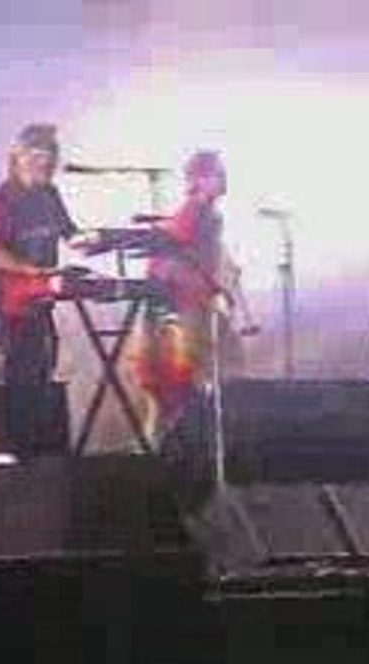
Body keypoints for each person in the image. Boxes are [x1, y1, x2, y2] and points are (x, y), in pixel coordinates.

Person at [130, 150, 256, 449]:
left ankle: (171, 448)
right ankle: (162, 452)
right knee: (179, 387)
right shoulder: (193, 212)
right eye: (215, 174)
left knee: (195, 382)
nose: (221, 180)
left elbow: (220, 263)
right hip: (182, 310)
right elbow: (168, 254)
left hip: (190, 307)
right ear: (198, 180)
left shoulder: (208, 215)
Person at [0, 124, 79, 457]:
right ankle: (17, 449)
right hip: (14, 304)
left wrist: (102, 239)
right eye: (36, 156)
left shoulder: (50, 194)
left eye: (49, 156)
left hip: (43, 300)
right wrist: (30, 270)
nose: (44, 163)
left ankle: (38, 448)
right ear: (19, 157)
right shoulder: (5, 198)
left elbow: (71, 233)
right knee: (20, 376)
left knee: (45, 367)